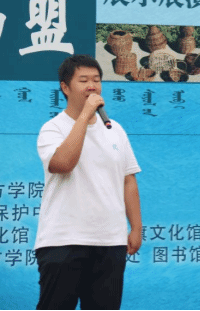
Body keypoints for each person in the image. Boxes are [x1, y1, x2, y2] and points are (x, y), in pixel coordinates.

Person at [34, 54, 142, 310]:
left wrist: (136, 227)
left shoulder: (114, 129)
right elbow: (63, 164)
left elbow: (128, 180)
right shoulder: (53, 128)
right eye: (83, 81)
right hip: (63, 241)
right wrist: (84, 116)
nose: (92, 86)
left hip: (110, 242)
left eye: (96, 80)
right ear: (65, 87)